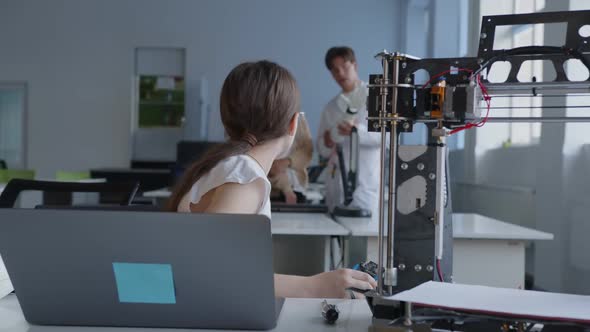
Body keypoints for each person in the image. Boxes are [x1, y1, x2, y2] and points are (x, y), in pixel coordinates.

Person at [166, 60, 376, 298]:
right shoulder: (243, 178)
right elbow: (217, 273)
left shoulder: (227, 167)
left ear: (227, 122)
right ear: (293, 124)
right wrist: (315, 286)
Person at [317, 46, 380, 214]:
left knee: (364, 236)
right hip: (336, 186)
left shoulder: (375, 98)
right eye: (335, 70)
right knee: (336, 236)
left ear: (355, 66)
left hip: (365, 186)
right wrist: (328, 141)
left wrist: (356, 131)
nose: (341, 74)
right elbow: (322, 150)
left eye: (345, 67)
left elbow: (386, 139)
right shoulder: (330, 108)